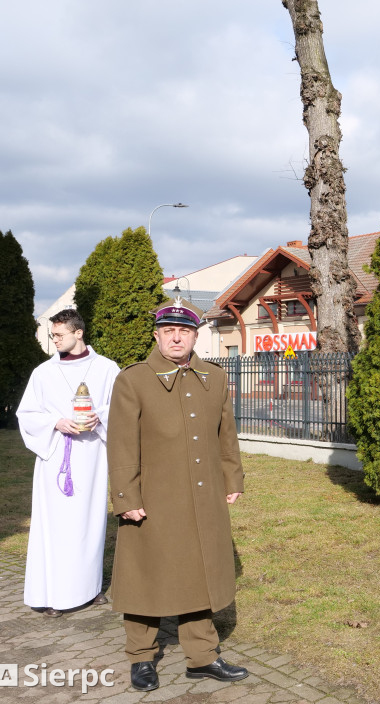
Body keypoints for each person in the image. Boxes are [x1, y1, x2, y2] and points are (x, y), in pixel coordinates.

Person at [107, 296, 247, 692]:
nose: (175, 338)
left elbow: (226, 434)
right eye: (168, 331)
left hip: (202, 496)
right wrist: (125, 497)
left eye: (183, 331)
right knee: (144, 574)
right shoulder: (132, 379)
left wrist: (232, 479)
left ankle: (202, 657)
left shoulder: (214, 377)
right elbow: (120, 445)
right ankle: (141, 657)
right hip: (152, 496)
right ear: (157, 335)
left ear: (194, 336)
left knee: (198, 572)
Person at [17, 308, 120, 616]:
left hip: (91, 457)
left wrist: (98, 417)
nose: (54, 340)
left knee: (88, 524)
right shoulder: (43, 373)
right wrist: (55, 422)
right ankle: (54, 593)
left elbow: (120, 408)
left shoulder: (106, 368)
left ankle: (88, 589)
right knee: (56, 526)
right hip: (54, 460)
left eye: (59, 335)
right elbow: (27, 414)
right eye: (53, 335)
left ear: (79, 333)